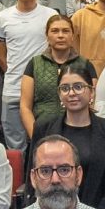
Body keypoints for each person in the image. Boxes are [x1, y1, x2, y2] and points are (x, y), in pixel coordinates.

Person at [24, 67, 105, 209]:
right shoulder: (43, 127)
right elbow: (33, 176)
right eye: (65, 88)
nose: (72, 93)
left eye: (78, 87)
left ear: (91, 92)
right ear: (59, 94)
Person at [0, 0, 54, 139]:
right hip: (12, 90)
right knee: (16, 147)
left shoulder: (50, 16)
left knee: (45, 143)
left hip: (44, 91)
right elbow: (1, 56)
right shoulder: (1, 18)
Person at [21, 13, 95, 141]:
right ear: (47, 36)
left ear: (72, 36)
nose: (60, 35)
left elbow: (92, 103)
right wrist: (37, 137)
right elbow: (25, 107)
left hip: (79, 134)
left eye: (65, 31)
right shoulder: (34, 64)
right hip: (42, 133)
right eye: (55, 31)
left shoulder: (85, 64)